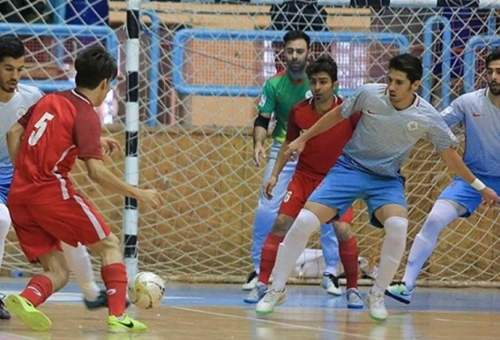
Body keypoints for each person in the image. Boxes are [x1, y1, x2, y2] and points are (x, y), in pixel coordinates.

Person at [256, 53, 499, 320]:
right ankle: (276, 289)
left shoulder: (428, 116)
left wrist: (478, 186)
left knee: (398, 226)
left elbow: (450, 156)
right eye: (389, 80)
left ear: (415, 85)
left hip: (386, 180)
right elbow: (337, 114)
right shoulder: (369, 94)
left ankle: (378, 294)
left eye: (399, 82)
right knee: (303, 222)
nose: (391, 87)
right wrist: (305, 139)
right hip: (348, 169)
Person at [4, 45, 162, 332]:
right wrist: (138, 193)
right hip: (52, 192)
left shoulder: (51, 99)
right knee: (110, 244)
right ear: (104, 84)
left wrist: (25, 169)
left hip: (19, 194)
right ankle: (117, 316)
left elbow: (14, 132)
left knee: (57, 271)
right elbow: (96, 173)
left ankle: (26, 299)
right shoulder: (87, 115)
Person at [0, 35, 109, 320]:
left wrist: (96, 138)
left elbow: (63, 125)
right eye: (8, 69)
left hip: (22, 181)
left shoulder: (33, 97)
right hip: (23, 185)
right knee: (1, 219)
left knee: (70, 238)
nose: (15, 76)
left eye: (19, 69)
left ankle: (91, 294)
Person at [245, 55, 363, 309]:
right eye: (314, 82)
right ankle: (264, 284)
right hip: (303, 178)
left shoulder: (349, 112)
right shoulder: (299, 111)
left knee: (343, 230)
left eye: (323, 82)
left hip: (336, 181)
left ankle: (352, 288)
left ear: (335, 83)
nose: (318, 87)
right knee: (280, 223)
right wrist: (275, 174)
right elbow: (288, 144)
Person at [386, 48, 500, 304]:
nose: (494, 77)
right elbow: (434, 124)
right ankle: (407, 284)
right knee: (435, 219)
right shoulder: (468, 103)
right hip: (472, 179)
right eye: (490, 71)